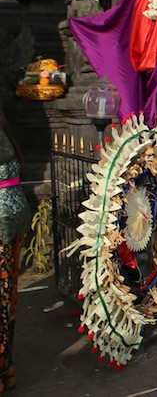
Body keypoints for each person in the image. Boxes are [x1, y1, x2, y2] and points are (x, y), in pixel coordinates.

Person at [0, 108, 31, 393]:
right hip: (13, 213)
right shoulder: (4, 123)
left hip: (3, 220)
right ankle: (6, 366)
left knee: (3, 297)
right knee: (7, 295)